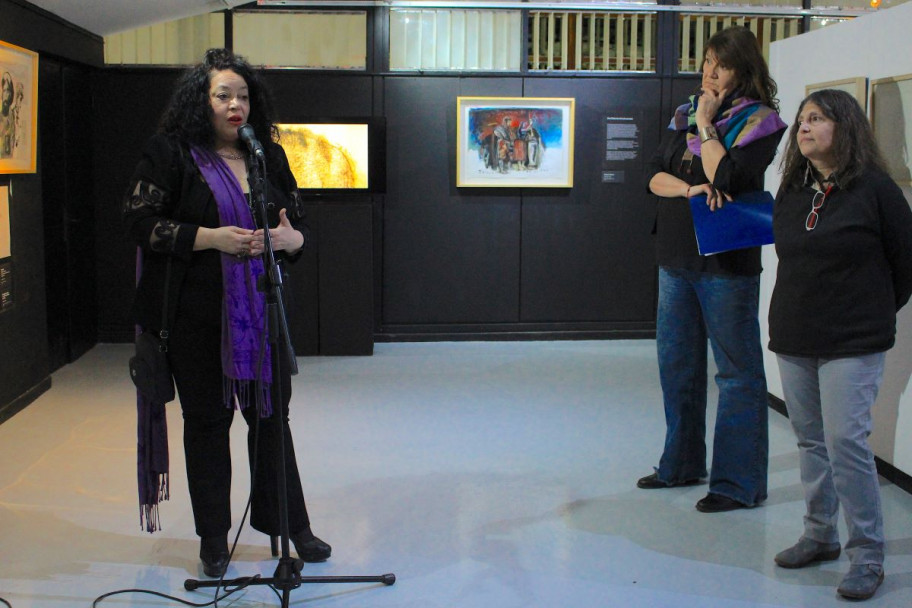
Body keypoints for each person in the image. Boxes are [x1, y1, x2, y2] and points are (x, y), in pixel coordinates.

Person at [123, 48, 331, 578]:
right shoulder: (170, 153)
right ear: (202, 101)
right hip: (197, 317)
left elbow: (297, 227)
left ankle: (291, 527)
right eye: (223, 96)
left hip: (263, 310)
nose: (235, 105)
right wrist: (210, 237)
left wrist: (291, 238)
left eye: (243, 96)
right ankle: (214, 537)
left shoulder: (267, 156)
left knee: (271, 421)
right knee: (208, 425)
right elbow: (140, 223)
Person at [768, 89, 912, 601]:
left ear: (844, 128)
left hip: (852, 341)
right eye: (802, 119)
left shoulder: (875, 189)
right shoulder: (792, 188)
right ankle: (819, 534)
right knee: (810, 441)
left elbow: (905, 266)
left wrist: (868, 313)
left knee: (846, 444)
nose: (803, 127)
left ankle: (868, 555)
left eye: (817, 118)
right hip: (795, 335)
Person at [638, 26, 787, 513]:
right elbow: (654, 177)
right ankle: (679, 464)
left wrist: (706, 125)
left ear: (743, 71)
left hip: (726, 261)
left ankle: (736, 482)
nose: (709, 71)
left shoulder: (762, 122)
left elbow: (728, 176)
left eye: (720, 64)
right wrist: (688, 190)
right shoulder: (682, 113)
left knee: (737, 374)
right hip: (675, 259)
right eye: (706, 61)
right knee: (676, 365)